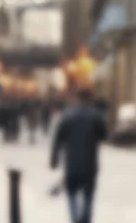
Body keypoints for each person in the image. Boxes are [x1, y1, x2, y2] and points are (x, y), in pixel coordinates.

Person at [50, 89, 108, 223]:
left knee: (71, 193)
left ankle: (75, 217)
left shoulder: (67, 116)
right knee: (88, 194)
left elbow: (58, 139)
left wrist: (54, 159)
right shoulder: (96, 116)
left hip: (71, 163)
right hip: (90, 163)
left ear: (76, 99)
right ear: (90, 99)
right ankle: (85, 219)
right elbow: (104, 136)